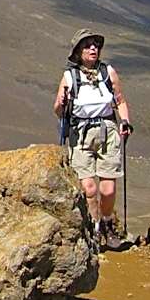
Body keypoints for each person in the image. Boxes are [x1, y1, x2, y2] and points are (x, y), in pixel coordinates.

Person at [53, 28, 133, 250]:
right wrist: (61, 103)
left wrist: (125, 121)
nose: (93, 49)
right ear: (78, 51)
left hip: (107, 130)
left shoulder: (108, 72)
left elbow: (120, 100)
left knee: (108, 189)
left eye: (95, 45)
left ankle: (107, 223)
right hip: (80, 134)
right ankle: (95, 228)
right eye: (87, 45)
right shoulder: (70, 77)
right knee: (89, 188)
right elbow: (58, 110)